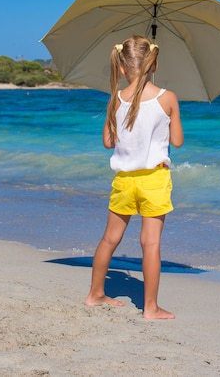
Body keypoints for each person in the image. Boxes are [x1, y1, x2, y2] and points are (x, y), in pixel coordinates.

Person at [85, 35, 184, 319]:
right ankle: (150, 308)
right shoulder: (167, 98)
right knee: (150, 244)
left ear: (122, 67)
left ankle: (94, 294)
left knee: (109, 240)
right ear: (155, 64)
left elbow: (107, 141)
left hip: (124, 181)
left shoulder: (115, 99)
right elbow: (177, 141)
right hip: (154, 180)